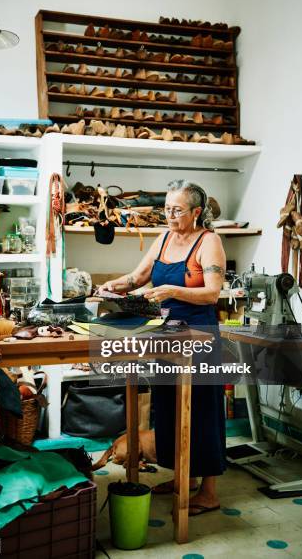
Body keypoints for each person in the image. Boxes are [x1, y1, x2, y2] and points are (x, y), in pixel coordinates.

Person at [99, 179, 226, 515]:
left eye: (177, 209)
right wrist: (114, 285)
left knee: (202, 410)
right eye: (166, 208)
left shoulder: (209, 242)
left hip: (199, 335)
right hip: (167, 334)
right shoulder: (165, 237)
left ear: (197, 212)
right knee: (169, 407)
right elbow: (138, 277)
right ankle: (183, 476)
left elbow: (212, 293)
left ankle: (208, 492)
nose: (169, 214)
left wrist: (172, 290)